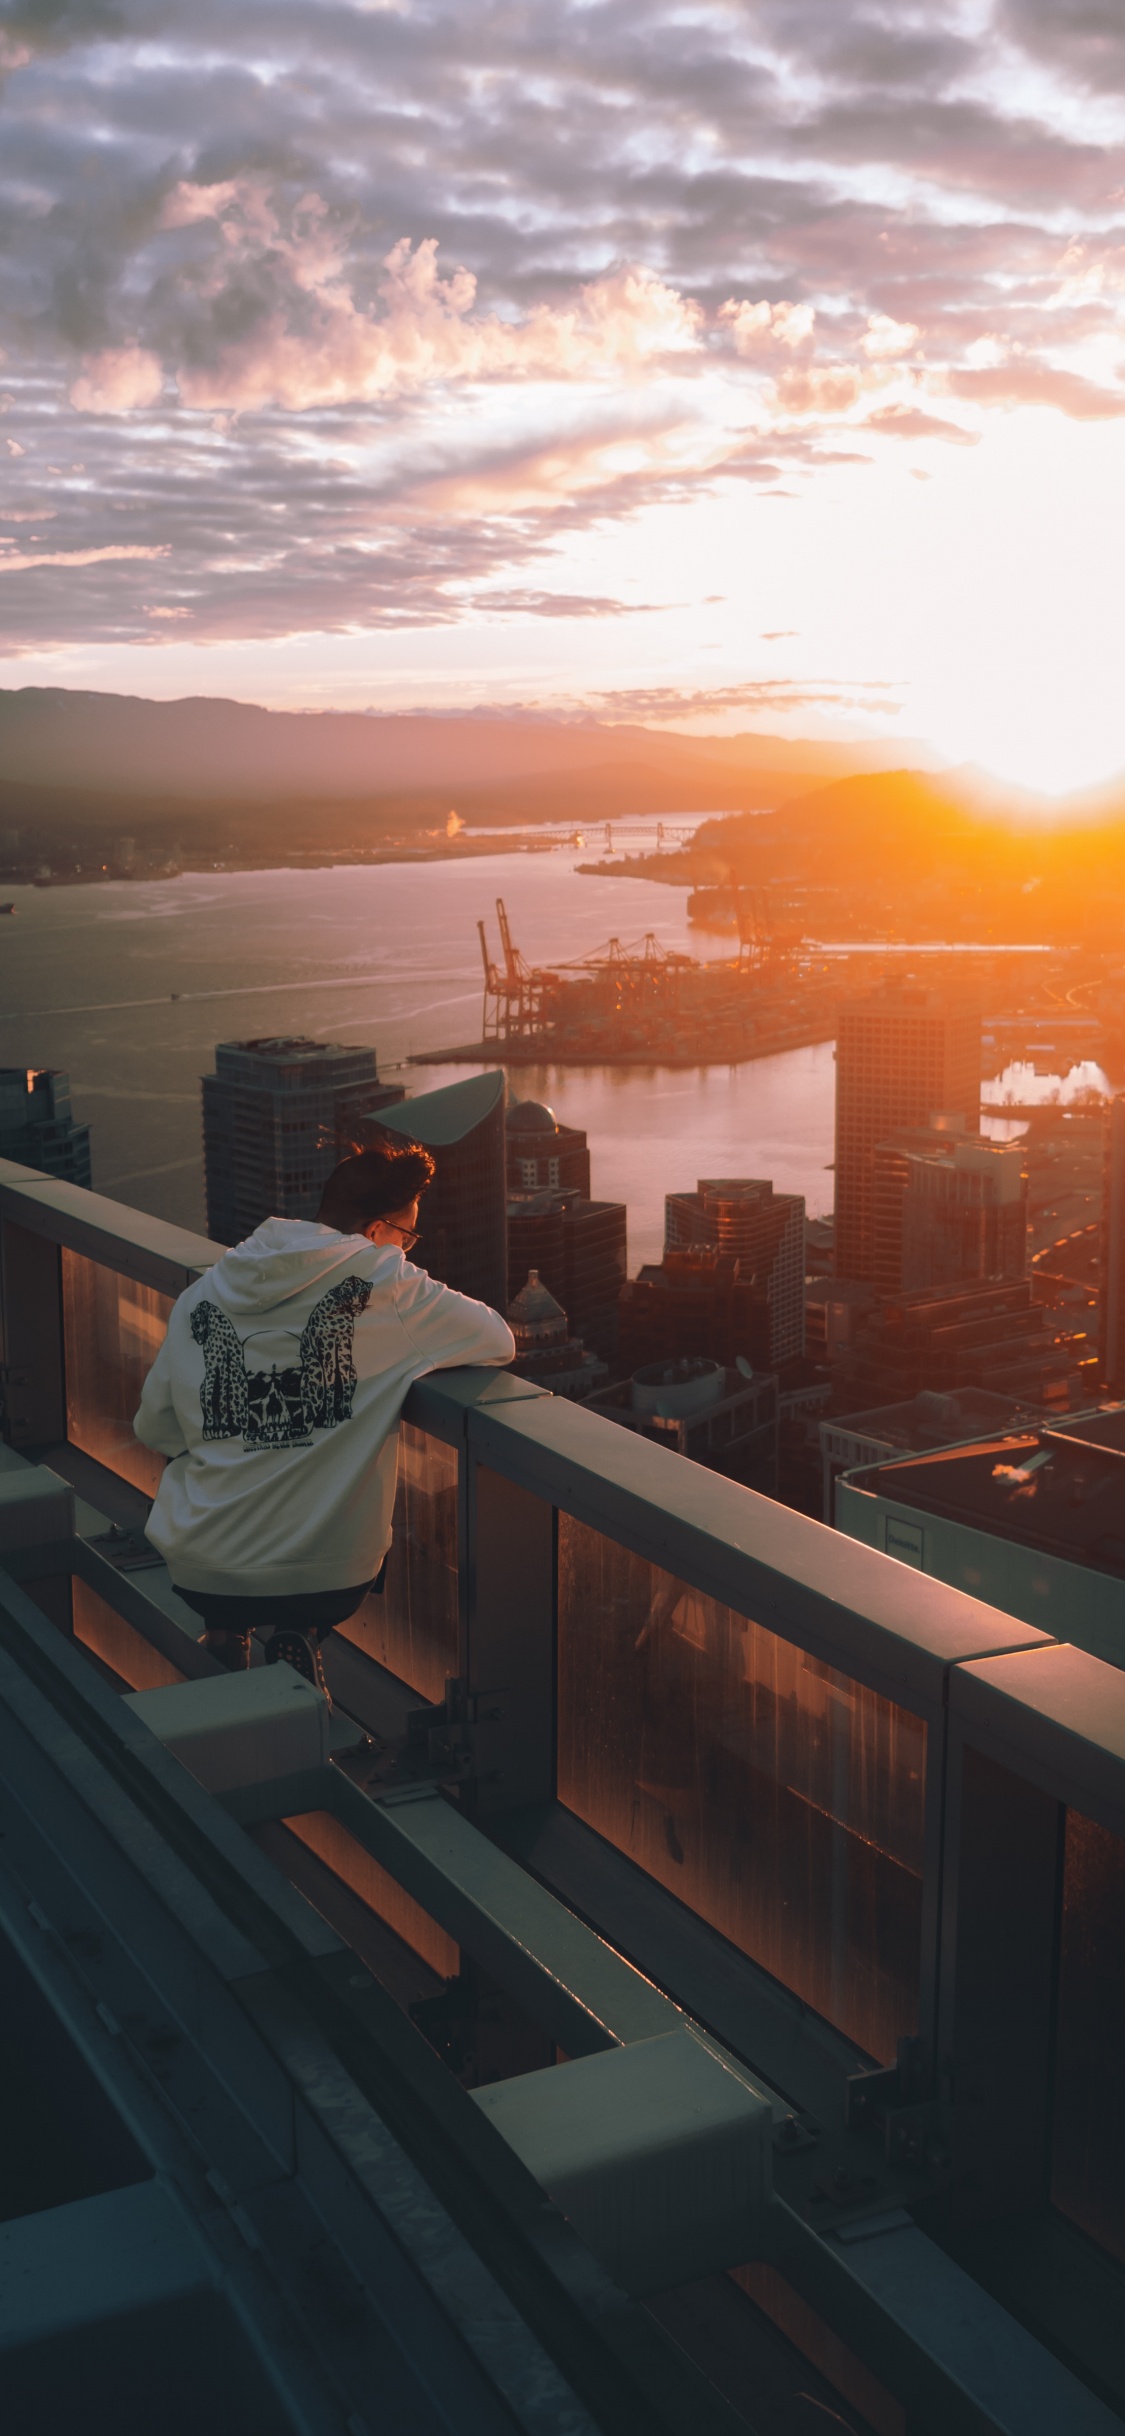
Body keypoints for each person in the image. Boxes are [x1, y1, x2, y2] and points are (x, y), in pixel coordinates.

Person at [134, 1137, 515, 1689]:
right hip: (327, 1579)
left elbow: (155, 1427)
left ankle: (224, 1635)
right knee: (325, 1538)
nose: (407, 1250)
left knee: (213, 1503)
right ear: (381, 1231)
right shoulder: (386, 1283)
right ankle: (303, 1635)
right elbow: (497, 1339)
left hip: (201, 1570)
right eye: (407, 1236)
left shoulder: (208, 1289)